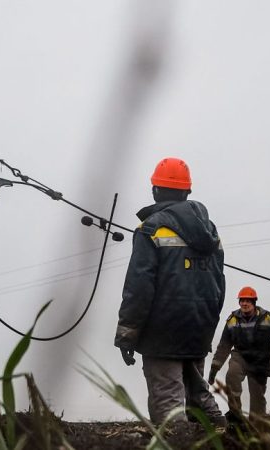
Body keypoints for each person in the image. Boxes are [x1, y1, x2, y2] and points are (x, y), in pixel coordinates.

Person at [114, 157, 227, 426]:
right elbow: (219, 286)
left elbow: (138, 288)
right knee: (199, 394)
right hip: (199, 327)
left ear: (155, 190)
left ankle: (177, 443)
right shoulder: (211, 233)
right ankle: (225, 438)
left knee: (168, 404)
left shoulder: (149, 230)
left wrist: (127, 335)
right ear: (187, 191)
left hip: (162, 333)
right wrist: (206, 324)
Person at [208, 286, 270, 417]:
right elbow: (224, 346)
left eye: (248, 301)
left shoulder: (267, 319)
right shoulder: (232, 320)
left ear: (254, 303)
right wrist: (214, 368)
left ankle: (256, 425)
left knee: (257, 397)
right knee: (232, 375)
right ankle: (235, 415)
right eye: (242, 300)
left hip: (260, 361)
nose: (244, 303)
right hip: (240, 357)